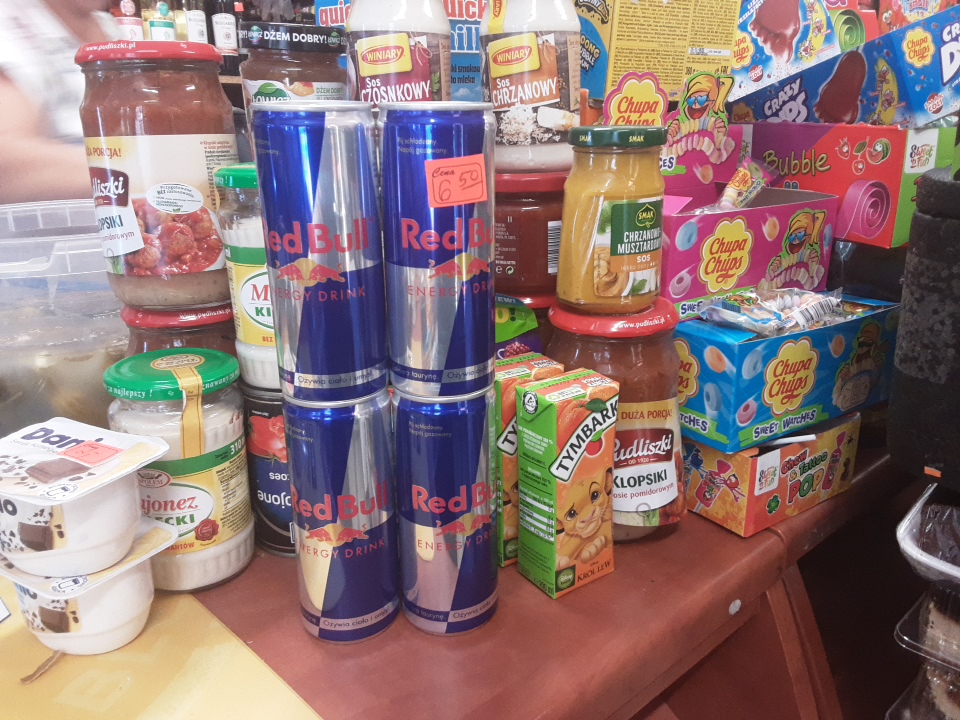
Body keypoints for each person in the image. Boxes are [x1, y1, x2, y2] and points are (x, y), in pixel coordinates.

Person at [0, 1, 117, 203]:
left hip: (136, 215)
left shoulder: (114, 29)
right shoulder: (10, 22)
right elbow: (7, 163)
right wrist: (140, 171)